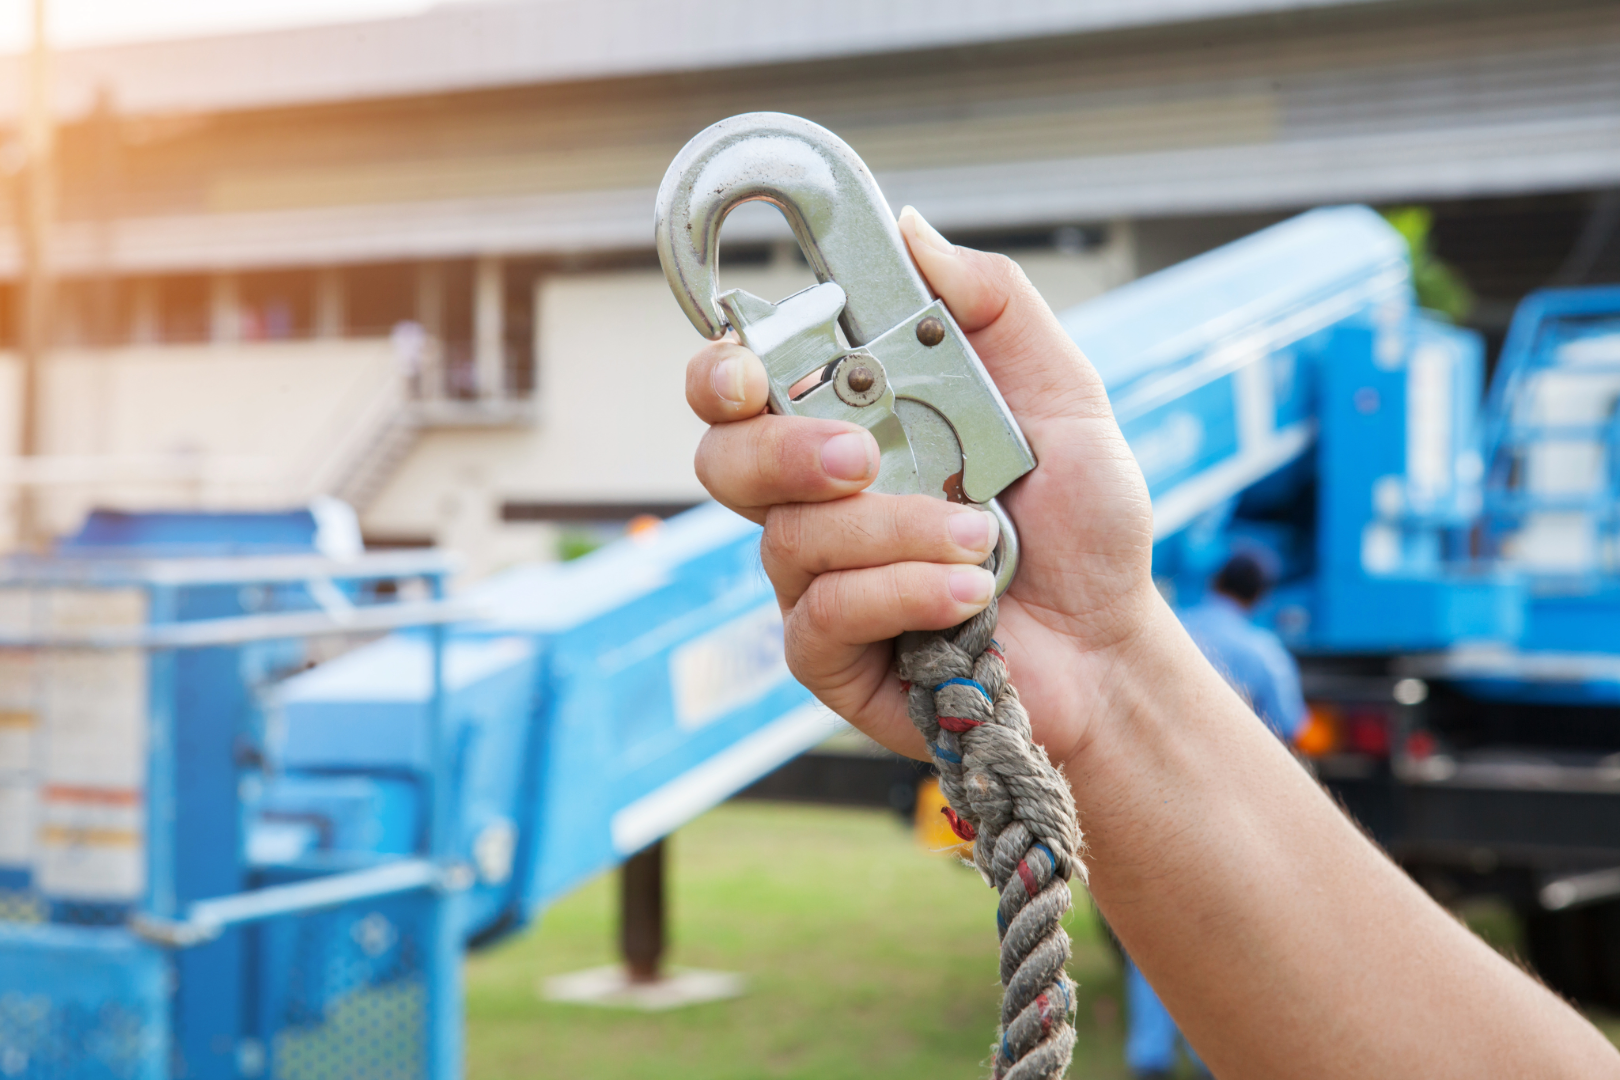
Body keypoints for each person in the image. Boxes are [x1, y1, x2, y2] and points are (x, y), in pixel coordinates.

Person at [682, 205, 1620, 1076]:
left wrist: (1099, 679)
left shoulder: (1211, 634)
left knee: (1142, 987)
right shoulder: (1257, 654)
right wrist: (1099, 676)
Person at [1123, 552, 1306, 1078]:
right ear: (1259, 597)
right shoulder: (1264, 652)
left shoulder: (1163, 630)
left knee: (1150, 929)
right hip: (1227, 818)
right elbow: (1289, 731)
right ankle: (1209, 1056)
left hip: (1148, 804)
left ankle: (1150, 1056)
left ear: (1215, 580)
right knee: (1219, 935)